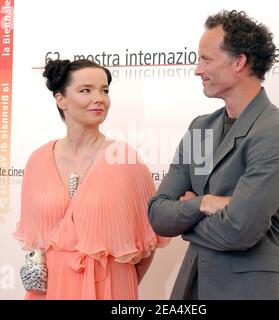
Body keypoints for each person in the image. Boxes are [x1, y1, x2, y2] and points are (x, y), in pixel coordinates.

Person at [148, 10, 279, 300]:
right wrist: (204, 203)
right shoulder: (201, 128)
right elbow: (158, 215)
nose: (197, 70)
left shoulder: (275, 131)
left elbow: (239, 230)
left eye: (206, 59)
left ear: (239, 62)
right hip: (191, 287)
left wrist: (187, 214)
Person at [14, 59, 168, 300]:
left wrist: (120, 285)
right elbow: (37, 245)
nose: (99, 98)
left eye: (104, 90)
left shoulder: (125, 159)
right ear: (60, 99)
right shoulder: (38, 160)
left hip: (110, 287)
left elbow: (148, 241)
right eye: (86, 90)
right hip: (53, 288)